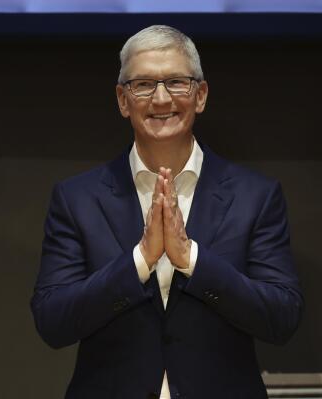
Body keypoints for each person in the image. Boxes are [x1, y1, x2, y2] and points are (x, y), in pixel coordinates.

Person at [31, 25, 303, 399]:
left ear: (201, 94)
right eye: (143, 85)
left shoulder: (255, 196)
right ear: (123, 100)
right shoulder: (77, 198)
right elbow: (53, 321)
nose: (161, 99)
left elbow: (282, 317)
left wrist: (191, 259)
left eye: (176, 82)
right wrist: (139, 261)